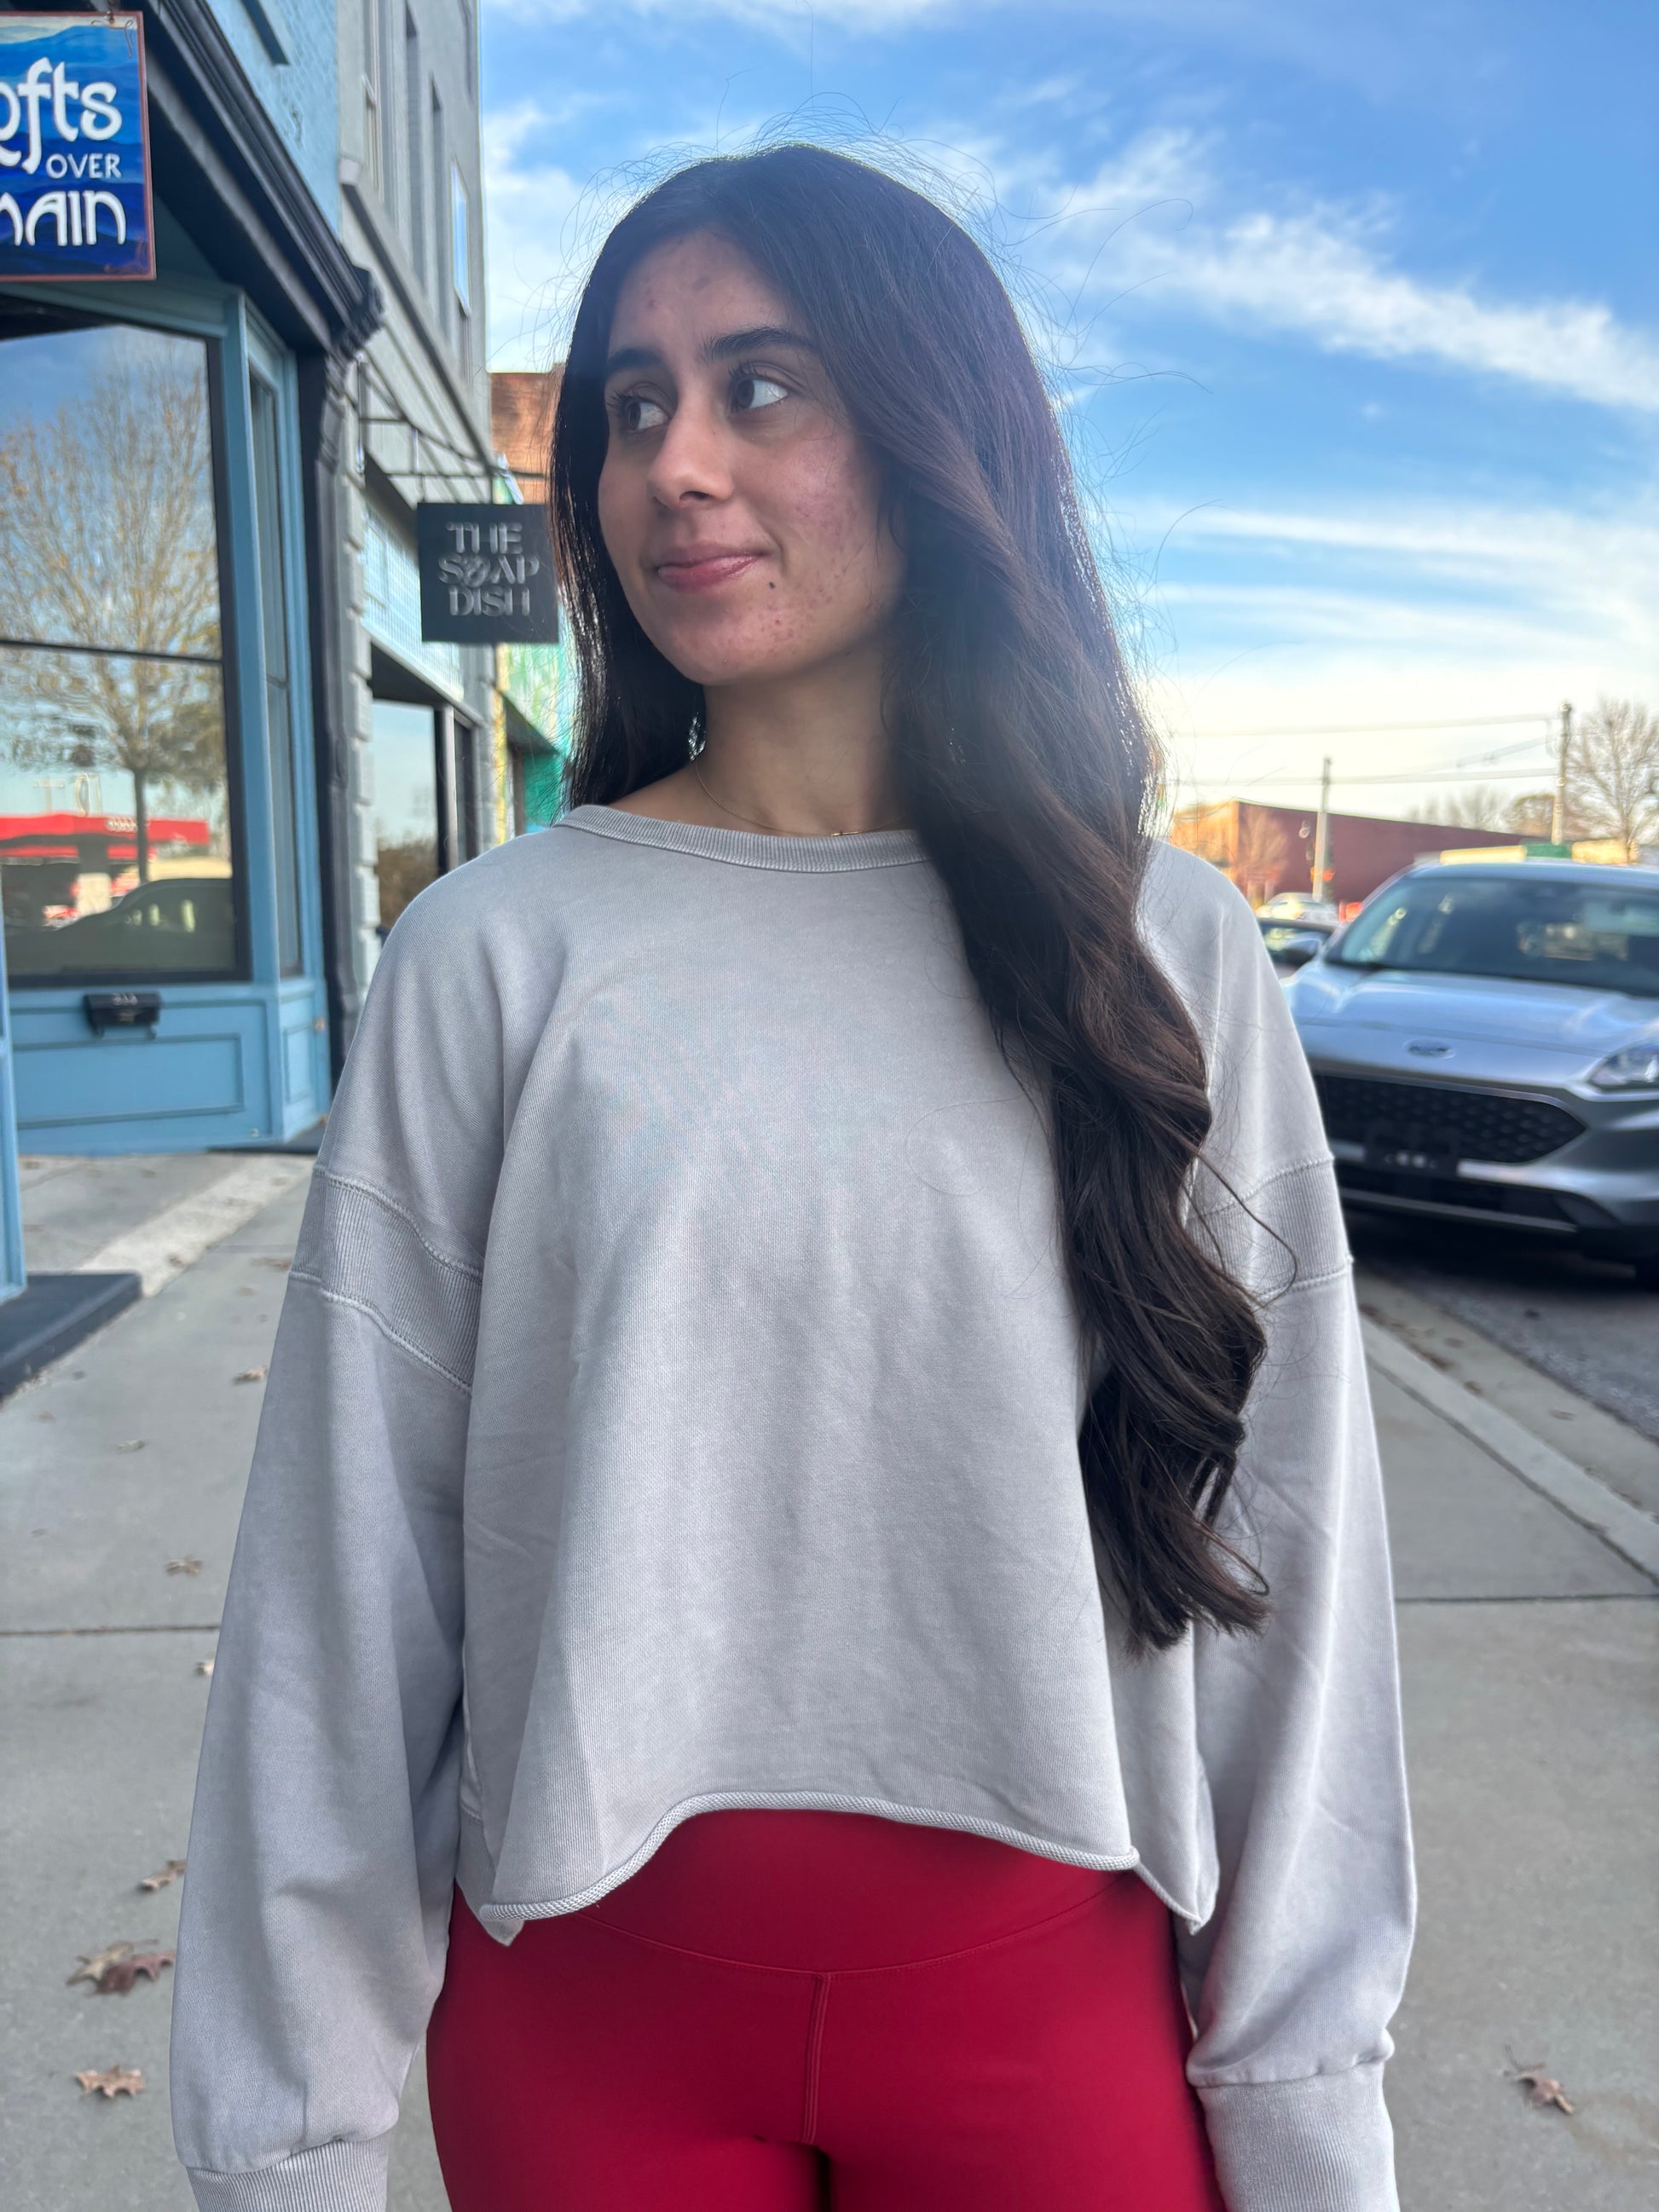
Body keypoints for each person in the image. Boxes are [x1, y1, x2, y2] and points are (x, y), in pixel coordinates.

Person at [169, 146, 1413, 2212]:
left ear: (937, 433)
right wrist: (288, 2129)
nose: (674, 464)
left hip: (1055, 2014)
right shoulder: (498, 953)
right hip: (590, 2032)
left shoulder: (1161, 951)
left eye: (762, 386)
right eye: (631, 405)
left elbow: (1287, 1535)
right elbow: (344, 1574)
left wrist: (1302, 2093)